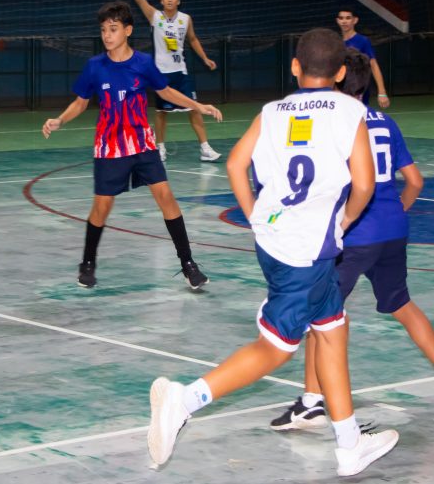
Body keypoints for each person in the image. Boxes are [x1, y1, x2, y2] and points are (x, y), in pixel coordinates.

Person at [147, 29, 399, 477]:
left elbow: (234, 164)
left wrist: (254, 216)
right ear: (341, 72)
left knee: (332, 330)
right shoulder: (351, 110)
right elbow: (364, 184)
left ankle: (349, 443)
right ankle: (183, 402)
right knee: (275, 348)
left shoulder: (273, 110)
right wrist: (344, 221)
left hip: (278, 241)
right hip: (308, 251)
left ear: (295, 67)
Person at [269, 49, 434, 433]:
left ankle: (311, 403)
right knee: (402, 304)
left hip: (353, 234)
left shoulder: (336, 122)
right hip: (393, 230)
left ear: (337, 79)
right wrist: (393, 214)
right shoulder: (386, 122)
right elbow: (415, 181)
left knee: (320, 319)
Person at [42, 1, 222, 290]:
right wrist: (59, 120)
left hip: (141, 143)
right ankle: (88, 262)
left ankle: (188, 263)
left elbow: (166, 91)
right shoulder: (94, 67)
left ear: (127, 30)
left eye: (113, 29)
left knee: (166, 198)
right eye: (103, 30)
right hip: (110, 147)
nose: (107, 35)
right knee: (102, 207)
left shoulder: (143, 63)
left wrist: (198, 105)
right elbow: (80, 102)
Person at [118, 0, 221, 163]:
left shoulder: (185, 19)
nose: (170, 0)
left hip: (180, 72)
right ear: (162, 1)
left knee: (193, 107)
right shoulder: (155, 17)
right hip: (161, 72)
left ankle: (205, 148)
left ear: (178, 1)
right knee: (162, 112)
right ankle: (160, 147)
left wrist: (205, 58)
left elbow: (192, 39)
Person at [336, 9, 391, 108]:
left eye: (348, 18)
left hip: (359, 93)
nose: (344, 21)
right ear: (337, 20)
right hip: (339, 93)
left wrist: (382, 92)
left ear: (355, 20)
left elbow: (373, 65)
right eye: (341, 18)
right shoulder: (336, 42)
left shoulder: (363, 41)